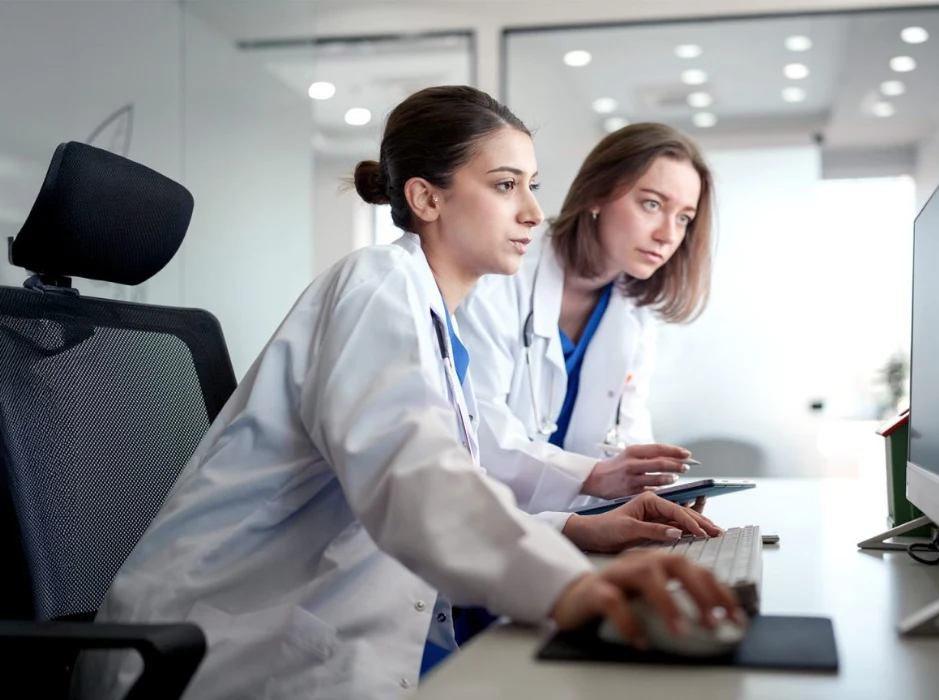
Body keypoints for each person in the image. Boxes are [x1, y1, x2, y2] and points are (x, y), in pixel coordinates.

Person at [74, 88, 738, 700]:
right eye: (506, 186)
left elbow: (422, 487)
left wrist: (576, 529)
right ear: (426, 198)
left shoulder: (431, 319)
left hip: (311, 632)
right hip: (214, 655)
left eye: (531, 187)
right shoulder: (376, 288)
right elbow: (412, 478)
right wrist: (570, 585)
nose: (535, 213)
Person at [458, 122, 714, 513]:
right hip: (485, 524)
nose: (667, 234)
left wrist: (652, 494)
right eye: (652, 204)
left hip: (571, 527)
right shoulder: (499, 281)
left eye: (683, 218)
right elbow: (478, 430)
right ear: (597, 193)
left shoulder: (633, 309)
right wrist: (592, 476)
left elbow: (626, 429)